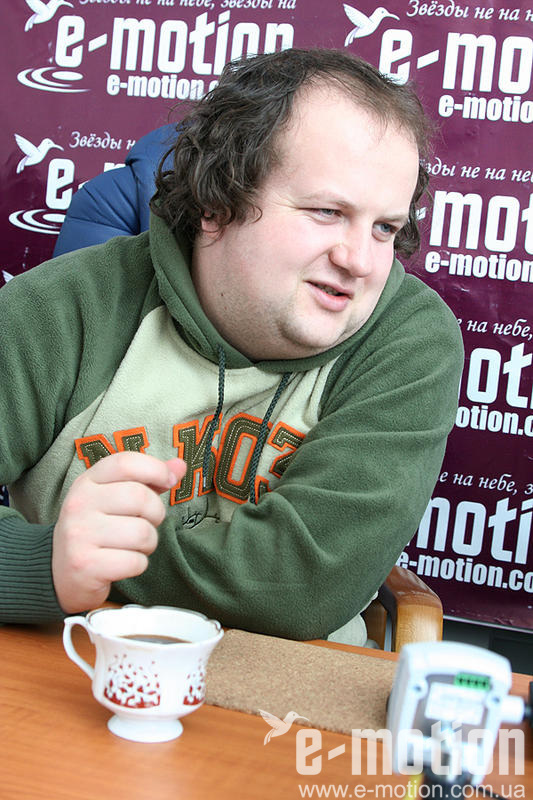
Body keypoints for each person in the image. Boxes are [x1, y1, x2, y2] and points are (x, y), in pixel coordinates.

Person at [0, 48, 463, 644]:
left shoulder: (406, 338)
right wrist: (41, 562)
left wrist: (98, 560)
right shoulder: (65, 307)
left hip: (290, 693)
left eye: (384, 228)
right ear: (218, 204)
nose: (360, 261)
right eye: (327, 212)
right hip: (72, 669)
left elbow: (300, 586)